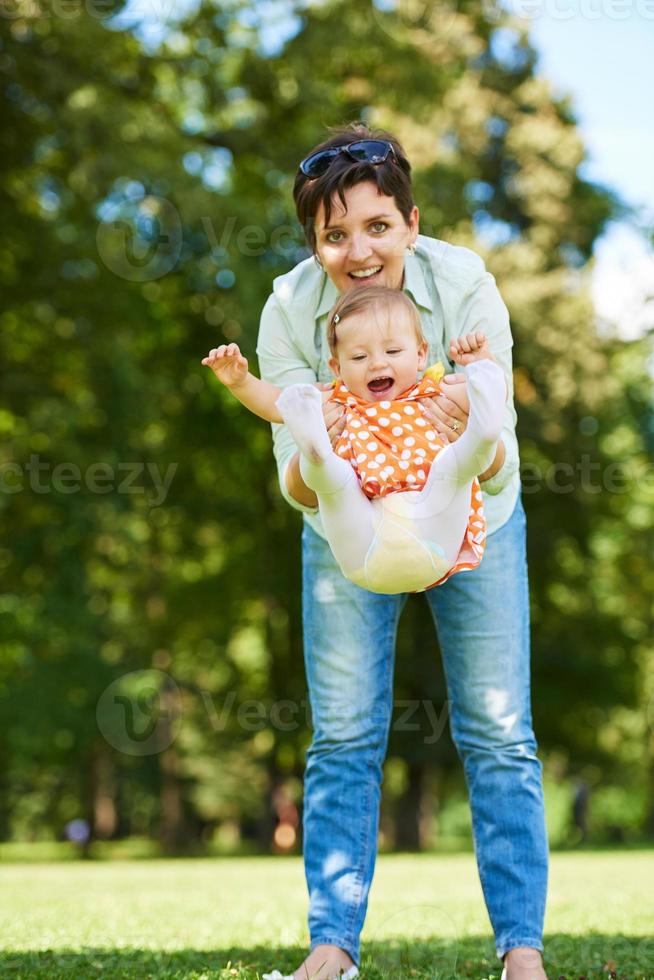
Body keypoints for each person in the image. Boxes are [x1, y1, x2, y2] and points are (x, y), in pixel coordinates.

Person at [254, 122, 549, 980]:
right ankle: (331, 948)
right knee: (344, 735)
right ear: (315, 242)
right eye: (334, 234)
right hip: (349, 536)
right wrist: (318, 449)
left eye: (377, 226)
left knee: (499, 732)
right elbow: (294, 483)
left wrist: (474, 430)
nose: (358, 250)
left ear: (411, 224)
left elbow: (497, 458)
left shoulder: (463, 284)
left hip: (474, 519)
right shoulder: (288, 309)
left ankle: (521, 952)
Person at [202, 285, 507, 595]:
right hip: (364, 539)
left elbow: (494, 396)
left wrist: (484, 366)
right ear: (337, 368)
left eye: (392, 351)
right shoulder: (338, 401)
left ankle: (481, 438)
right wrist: (241, 382)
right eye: (359, 356)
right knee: (338, 480)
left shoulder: (431, 393)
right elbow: (277, 404)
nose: (377, 363)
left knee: (451, 466)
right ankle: (317, 456)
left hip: (435, 532)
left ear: (420, 355)